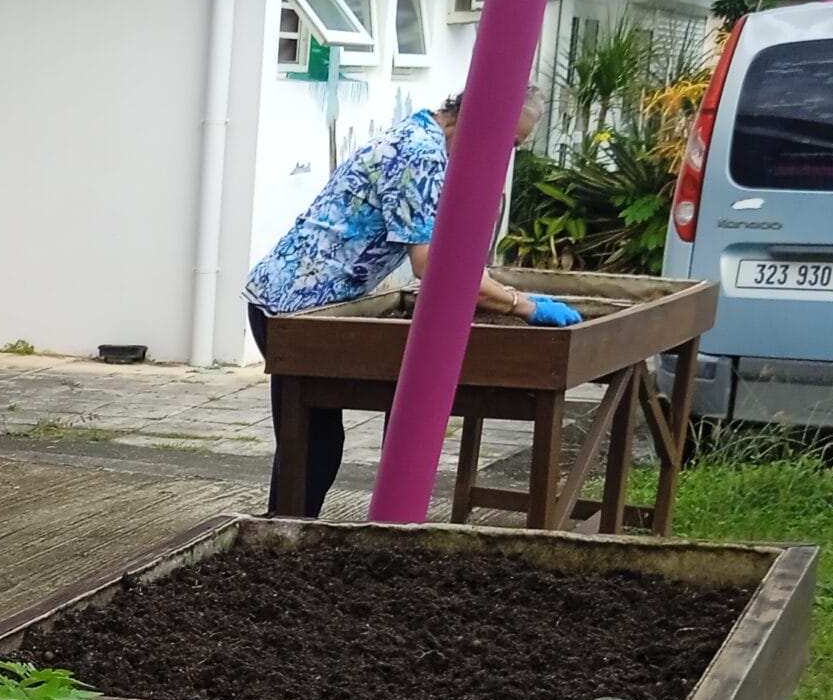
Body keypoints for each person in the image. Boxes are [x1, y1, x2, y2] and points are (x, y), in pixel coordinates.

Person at [242, 88, 581, 516]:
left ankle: (286, 532)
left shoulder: (425, 135)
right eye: (510, 144)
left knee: (313, 445)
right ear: (479, 121)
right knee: (312, 446)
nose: (506, 157)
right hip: (292, 309)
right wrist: (522, 305)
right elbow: (434, 267)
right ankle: (282, 539)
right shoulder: (420, 155)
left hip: (304, 304)